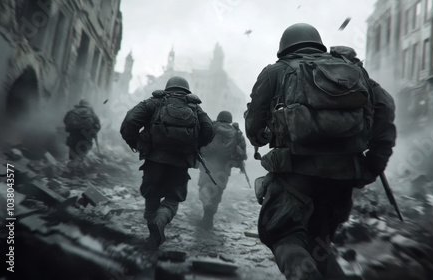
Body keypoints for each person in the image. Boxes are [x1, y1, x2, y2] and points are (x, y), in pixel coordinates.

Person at [244, 23, 396, 280]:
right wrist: (373, 165)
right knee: (320, 245)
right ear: (317, 44)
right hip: (343, 177)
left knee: (283, 234)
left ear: (284, 47)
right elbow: (385, 111)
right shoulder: (352, 72)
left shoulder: (275, 72)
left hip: (294, 173)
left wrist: (267, 133)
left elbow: (254, 128)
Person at [120, 76, 214, 249]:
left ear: (168, 88)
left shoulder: (155, 102)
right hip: (181, 162)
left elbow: (130, 121)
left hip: (154, 159)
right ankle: (161, 220)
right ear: (186, 90)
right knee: (172, 197)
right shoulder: (194, 107)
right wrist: (194, 146)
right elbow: (209, 130)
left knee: (152, 194)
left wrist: (137, 143)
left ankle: (152, 235)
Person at [198, 111, 247, 229]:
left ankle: (207, 205)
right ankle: (209, 217)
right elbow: (243, 155)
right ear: (230, 120)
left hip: (208, 165)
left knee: (204, 188)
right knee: (217, 192)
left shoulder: (210, 128)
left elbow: (199, 144)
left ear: (218, 118)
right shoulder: (237, 133)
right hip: (224, 169)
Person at [63, 99, 101, 167]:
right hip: (86, 135)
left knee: (73, 154)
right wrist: (94, 132)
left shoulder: (72, 111)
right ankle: (78, 169)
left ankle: (71, 169)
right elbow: (98, 124)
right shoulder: (91, 112)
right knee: (82, 153)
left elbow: (65, 120)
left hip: (73, 134)